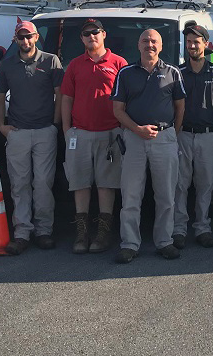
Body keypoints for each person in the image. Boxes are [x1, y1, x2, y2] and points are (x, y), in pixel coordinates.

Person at [112, 29, 186, 263]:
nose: (150, 45)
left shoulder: (173, 72)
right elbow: (117, 110)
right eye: (145, 41)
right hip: (134, 138)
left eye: (154, 41)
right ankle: (129, 244)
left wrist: (172, 132)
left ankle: (164, 241)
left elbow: (180, 108)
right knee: (131, 195)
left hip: (164, 138)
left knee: (166, 194)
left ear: (161, 46)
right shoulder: (125, 73)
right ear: (139, 45)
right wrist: (137, 129)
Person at [0, 20, 64, 255]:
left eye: (29, 37)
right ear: (16, 39)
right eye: (21, 37)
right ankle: (22, 232)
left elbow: (60, 96)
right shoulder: (7, 64)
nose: (25, 41)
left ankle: (44, 231)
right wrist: (1, 126)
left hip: (45, 130)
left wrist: (55, 125)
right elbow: (0, 96)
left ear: (36, 38)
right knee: (19, 184)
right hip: (17, 131)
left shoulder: (51, 60)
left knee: (43, 183)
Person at [60, 18, 128, 254]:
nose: (91, 37)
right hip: (80, 134)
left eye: (95, 32)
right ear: (82, 39)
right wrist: (67, 130)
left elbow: (125, 99)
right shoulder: (75, 65)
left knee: (106, 185)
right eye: (86, 34)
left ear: (104, 34)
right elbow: (66, 99)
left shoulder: (119, 63)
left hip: (110, 133)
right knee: (80, 184)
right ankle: (81, 234)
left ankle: (103, 233)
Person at [174, 23, 213, 249]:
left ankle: (202, 227)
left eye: (196, 42)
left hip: (207, 136)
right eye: (188, 42)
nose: (192, 46)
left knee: (206, 184)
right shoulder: (176, 72)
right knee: (180, 184)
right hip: (183, 135)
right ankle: (178, 229)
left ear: (205, 45)